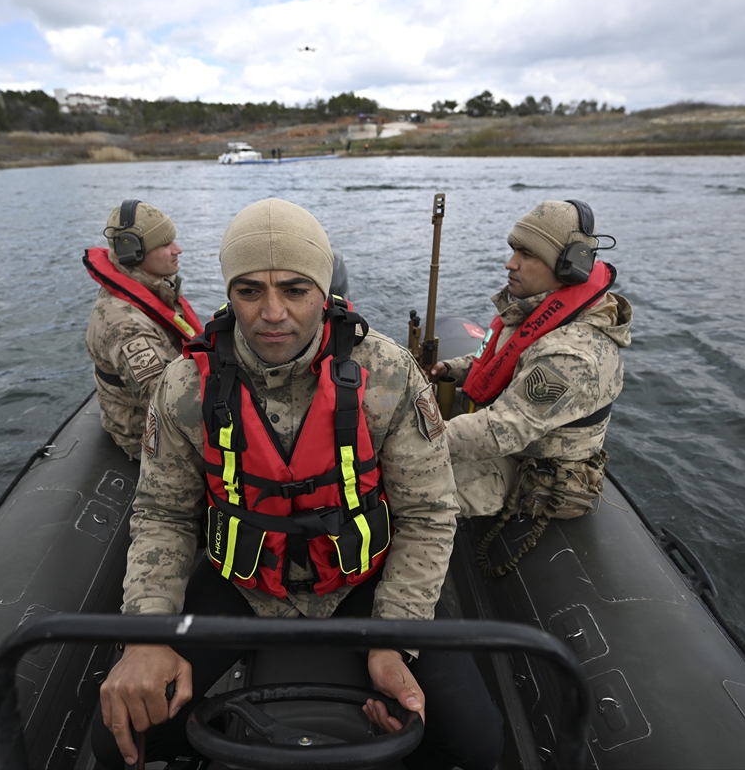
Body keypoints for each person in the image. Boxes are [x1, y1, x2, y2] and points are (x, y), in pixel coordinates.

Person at [93, 198, 502, 770]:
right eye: (249, 291)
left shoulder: (388, 374)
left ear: (324, 291)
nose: (272, 313)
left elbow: (429, 512)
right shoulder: (185, 386)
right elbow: (164, 513)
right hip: (244, 584)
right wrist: (146, 633)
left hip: (363, 580)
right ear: (229, 293)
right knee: (118, 743)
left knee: (478, 744)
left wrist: (394, 636)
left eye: (295, 289)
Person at [431, 199, 632, 527]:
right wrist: (455, 369)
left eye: (527, 254)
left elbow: (502, 430)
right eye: (514, 250)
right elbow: (506, 357)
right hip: (513, 440)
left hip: (532, 469)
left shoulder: (572, 354)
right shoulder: (540, 308)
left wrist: (413, 440)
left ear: (568, 267)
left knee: (413, 490)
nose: (510, 263)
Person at [84, 200, 202, 458]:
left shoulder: (154, 286)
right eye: (165, 244)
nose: (178, 249)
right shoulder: (126, 325)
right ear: (133, 252)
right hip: (148, 437)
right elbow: (170, 406)